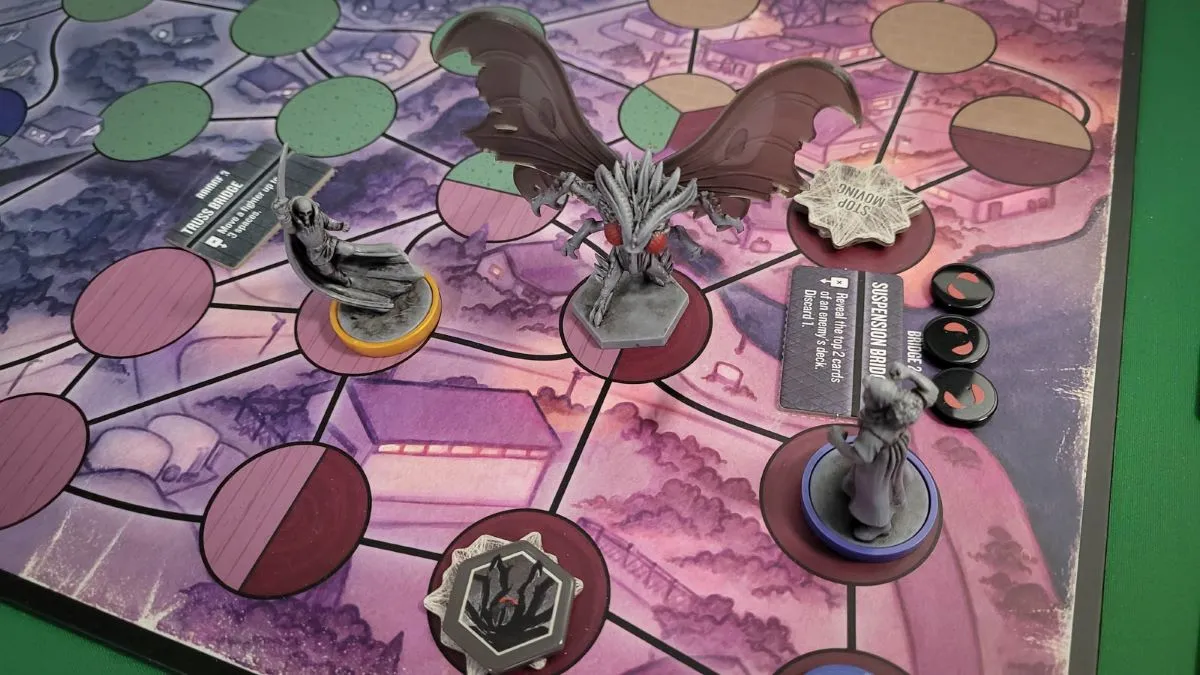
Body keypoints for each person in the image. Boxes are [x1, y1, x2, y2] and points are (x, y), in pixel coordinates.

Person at [827, 362, 938, 541]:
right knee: (886, 477)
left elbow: (859, 457)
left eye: (868, 395)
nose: (865, 393)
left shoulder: (875, 433)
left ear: (878, 405)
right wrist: (909, 373)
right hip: (892, 448)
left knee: (873, 489)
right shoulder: (899, 404)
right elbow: (931, 391)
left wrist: (837, 441)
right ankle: (866, 488)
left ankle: (880, 525)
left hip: (877, 460)